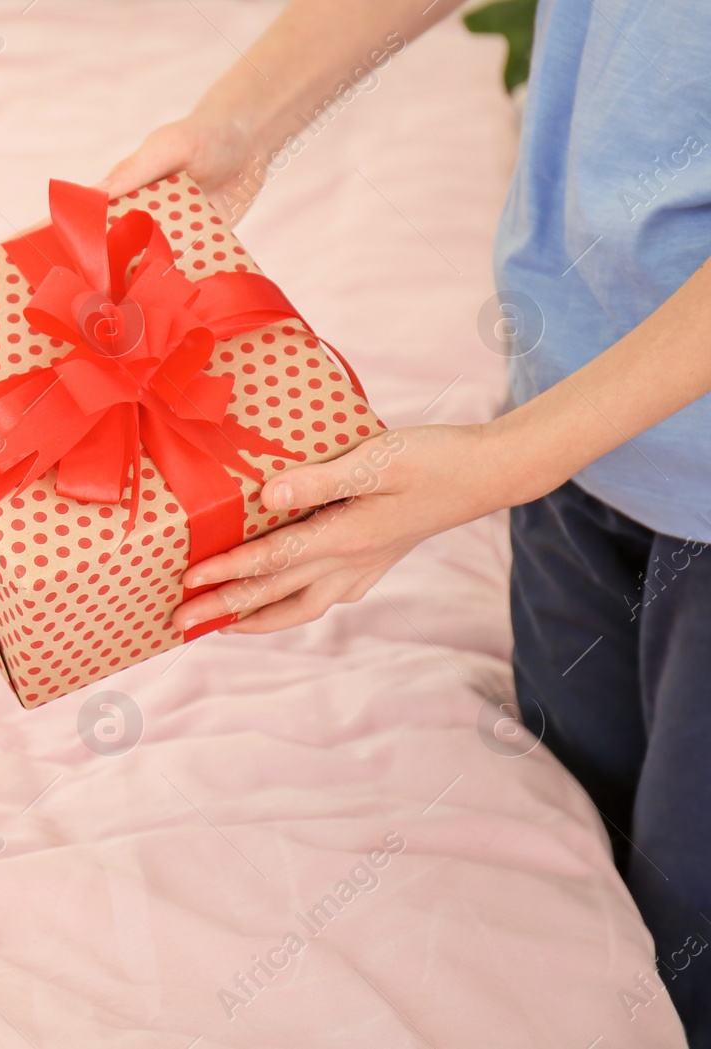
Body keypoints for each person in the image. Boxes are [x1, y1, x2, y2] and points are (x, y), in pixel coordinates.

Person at [103, 0, 711, 1040]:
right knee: (581, 880)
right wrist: (243, 121)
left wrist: (491, 469)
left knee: (689, 931)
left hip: (573, 454)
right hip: (568, 411)